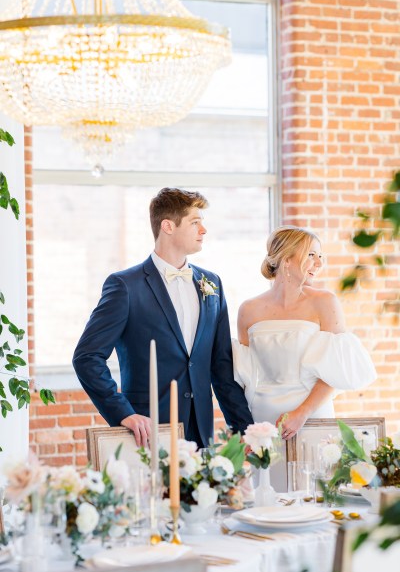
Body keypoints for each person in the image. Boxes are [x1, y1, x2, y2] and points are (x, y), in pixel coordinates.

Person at [73, 187, 253, 449]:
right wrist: (122, 412)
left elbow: (221, 366)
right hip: (149, 430)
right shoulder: (125, 286)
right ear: (168, 226)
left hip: (202, 432)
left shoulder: (212, 283)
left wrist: (246, 430)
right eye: (195, 223)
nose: (203, 231)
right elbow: (87, 357)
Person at [233, 225, 377, 489]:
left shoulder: (325, 302)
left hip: (312, 415)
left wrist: (302, 412)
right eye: (312, 254)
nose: (319, 263)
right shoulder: (248, 310)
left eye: (320, 256)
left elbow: (335, 371)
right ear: (287, 258)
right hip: (265, 421)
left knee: (315, 492)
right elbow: (244, 377)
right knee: (268, 495)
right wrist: (244, 430)